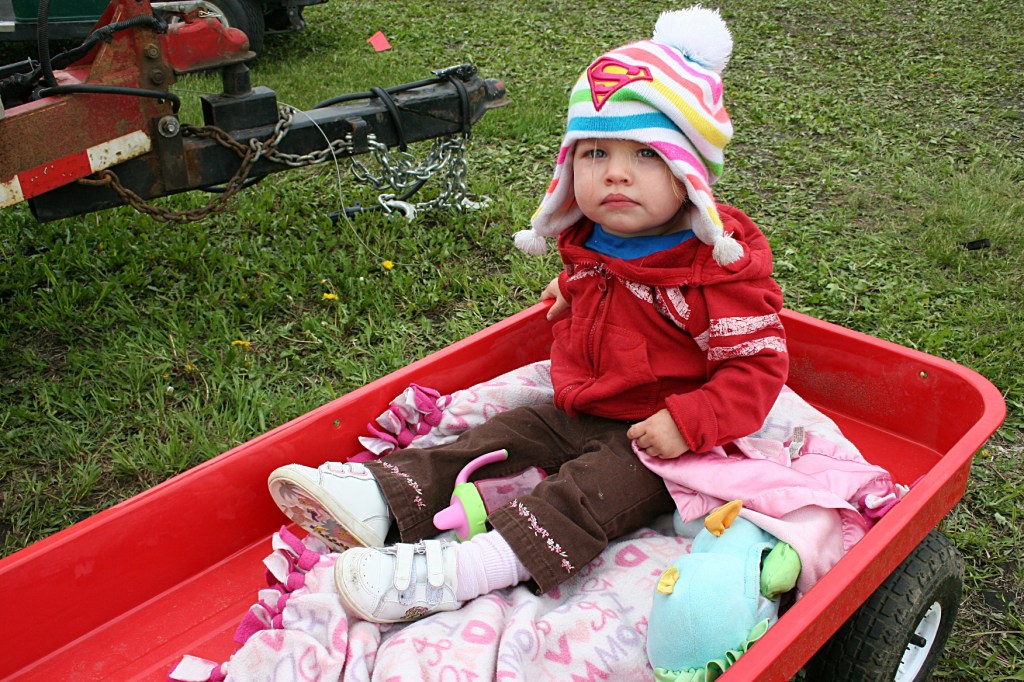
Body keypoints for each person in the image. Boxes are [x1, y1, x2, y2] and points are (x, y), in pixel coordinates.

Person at [267, 5, 788, 624]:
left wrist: (689, 421)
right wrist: (572, 292)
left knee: (586, 497)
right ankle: (381, 497)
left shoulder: (713, 273)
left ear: (689, 175)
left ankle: (456, 573)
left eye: (646, 155)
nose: (616, 173)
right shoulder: (597, 238)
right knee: (501, 434)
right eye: (595, 152)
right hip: (583, 406)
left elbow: (757, 366)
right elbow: (605, 280)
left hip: (659, 441)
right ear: (571, 169)